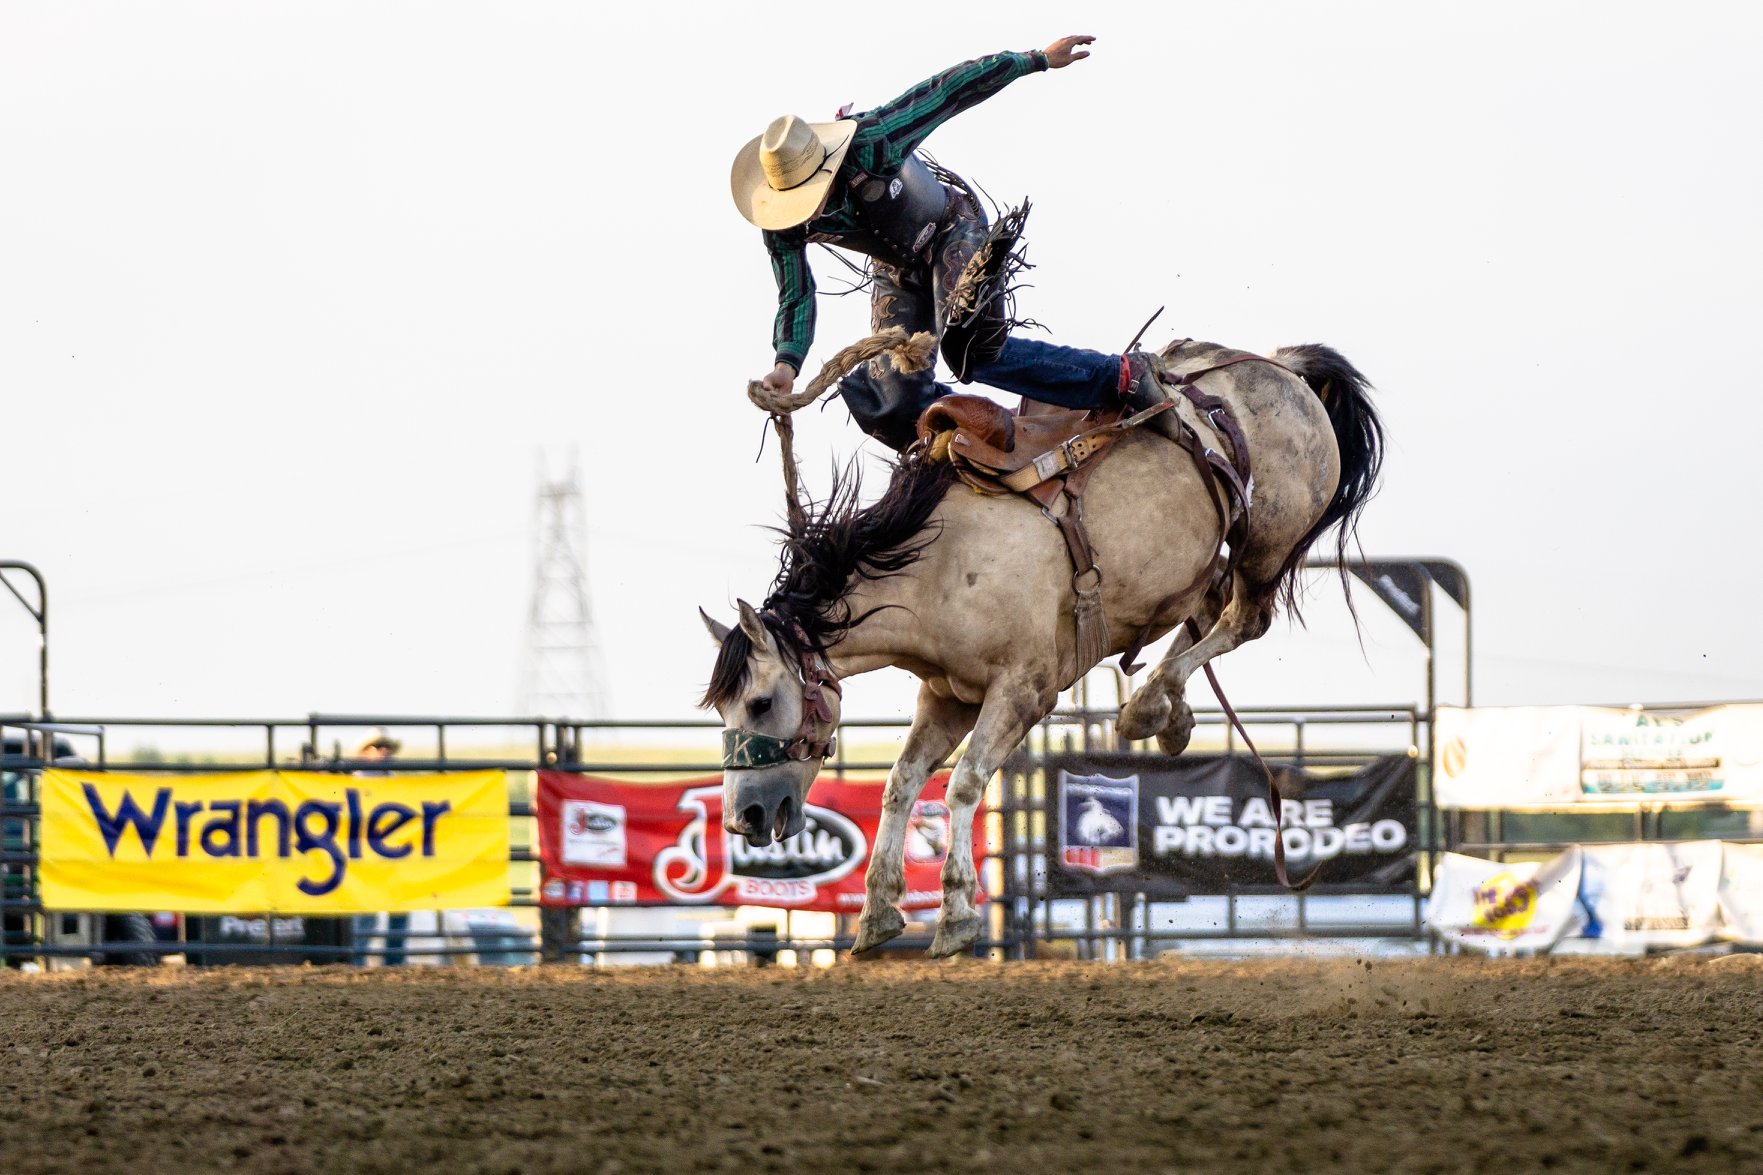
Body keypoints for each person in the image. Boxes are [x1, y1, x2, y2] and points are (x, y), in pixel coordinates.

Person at [732, 35, 1179, 452]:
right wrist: (786, 365)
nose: (807, 213)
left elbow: (949, 89)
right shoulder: (782, 225)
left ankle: (1119, 377)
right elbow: (796, 295)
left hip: (950, 227)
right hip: (896, 267)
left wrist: (1036, 60)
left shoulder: (873, 141)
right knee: (890, 400)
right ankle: (985, 434)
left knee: (971, 348)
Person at [352, 728, 410, 966]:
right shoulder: (354, 781)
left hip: (390, 852)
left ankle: (392, 962)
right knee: (366, 911)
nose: (382, 751)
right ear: (365, 752)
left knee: (399, 906)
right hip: (365, 853)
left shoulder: (393, 781)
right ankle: (358, 961)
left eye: (385, 747)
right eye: (376, 747)